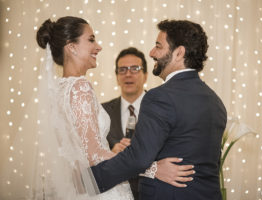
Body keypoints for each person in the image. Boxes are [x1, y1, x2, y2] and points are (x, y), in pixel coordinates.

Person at [27, 16, 193, 199]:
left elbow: (74, 156)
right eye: (91, 40)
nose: (98, 46)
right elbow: (94, 155)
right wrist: (153, 169)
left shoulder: (57, 90)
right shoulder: (80, 88)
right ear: (71, 46)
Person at [91, 19, 227, 200]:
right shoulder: (216, 102)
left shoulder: (160, 97)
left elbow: (137, 158)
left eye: (158, 46)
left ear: (179, 53)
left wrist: (87, 181)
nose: (152, 53)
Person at [102, 47, 148, 199]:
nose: (128, 74)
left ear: (145, 75)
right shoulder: (102, 111)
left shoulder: (161, 108)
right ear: (116, 77)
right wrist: (111, 154)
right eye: (122, 69)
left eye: (135, 69)